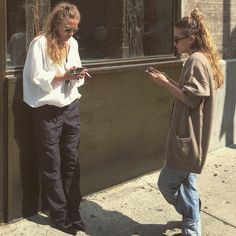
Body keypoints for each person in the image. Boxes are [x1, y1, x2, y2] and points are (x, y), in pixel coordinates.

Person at [146, 8, 224, 236]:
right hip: (190, 136)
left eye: (177, 39)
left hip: (188, 138)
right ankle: (192, 225)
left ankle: (192, 218)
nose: (174, 44)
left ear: (191, 39)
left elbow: (191, 98)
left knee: (165, 184)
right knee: (187, 182)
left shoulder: (196, 60)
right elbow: (189, 91)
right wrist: (167, 79)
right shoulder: (201, 58)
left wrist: (164, 85)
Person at [23, 2, 88, 235]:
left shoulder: (73, 44)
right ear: (56, 23)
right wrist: (64, 75)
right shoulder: (39, 44)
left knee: (71, 162)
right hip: (47, 111)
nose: (71, 34)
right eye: (67, 29)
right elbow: (36, 76)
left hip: (70, 107)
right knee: (51, 165)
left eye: (74, 30)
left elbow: (74, 73)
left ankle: (74, 212)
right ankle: (60, 216)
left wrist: (78, 74)